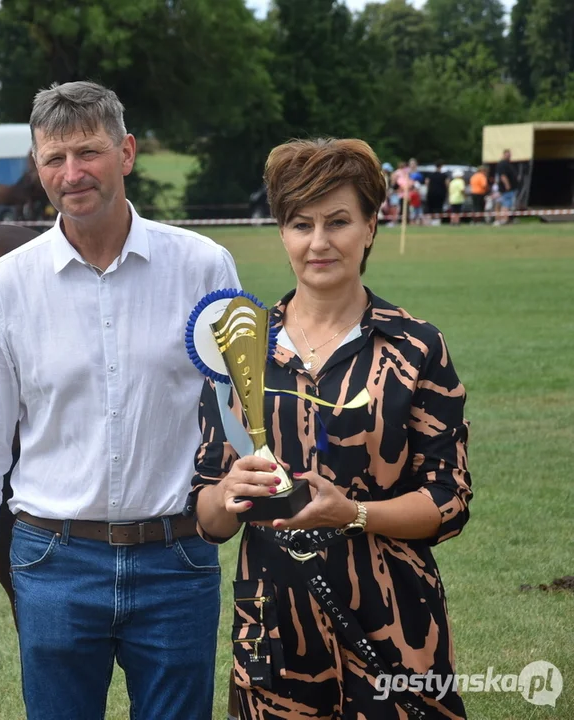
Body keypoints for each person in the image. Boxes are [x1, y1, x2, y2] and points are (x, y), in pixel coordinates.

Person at [0, 80, 240, 719]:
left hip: (177, 557)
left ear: (126, 152)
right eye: (54, 159)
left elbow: (241, 413)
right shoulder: (3, 288)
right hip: (54, 564)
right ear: (37, 167)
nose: (71, 174)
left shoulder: (204, 267)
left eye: (88, 153)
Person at [190, 138, 472, 719]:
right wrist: (227, 492)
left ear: (371, 226)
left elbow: (450, 501)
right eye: (301, 224)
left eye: (338, 222)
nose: (318, 243)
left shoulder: (415, 347)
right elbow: (208, 519)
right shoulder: (241, 348)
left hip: (395, 627)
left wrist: (354, 514)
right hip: (274, 634)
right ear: (282, 233)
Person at [495, 148, 518, 225]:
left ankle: (503, 219)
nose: (509, 155)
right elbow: (503, 176)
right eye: (507, 154)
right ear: (504, 154)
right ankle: (504, 219)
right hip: (507, 189)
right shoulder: (502, 164)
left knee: (506, 204)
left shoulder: (508, 163)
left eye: (510, 154)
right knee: (506, 204)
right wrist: (507, 185)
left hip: (510, 189)